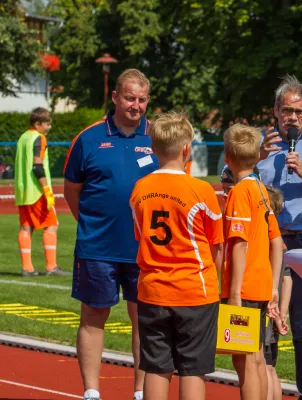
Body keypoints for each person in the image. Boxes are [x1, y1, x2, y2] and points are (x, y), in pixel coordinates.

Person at [63, 68, 157, 400]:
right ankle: (91, 392)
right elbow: (72, 190)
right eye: (130, 98)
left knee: (144, 322)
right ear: (115, 97)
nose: (136, 105)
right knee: (92, 318)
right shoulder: (88, 138)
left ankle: (141, 392)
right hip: (97, 247)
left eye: (142, 99)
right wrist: (91, 223)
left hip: (146, 250)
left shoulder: (158, 137)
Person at [130, 112, 223, 400]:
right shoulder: (201, 190)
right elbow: (216, 244)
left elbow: (140, 236)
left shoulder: (140, 189)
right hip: (195, 291)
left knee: (156, 367)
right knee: (193, 369)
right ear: (186, 149)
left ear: (154, 149)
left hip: (153, 290)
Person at [258, 75, 302, 400]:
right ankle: (257, 389)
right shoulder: (260, 143)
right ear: (275, 110)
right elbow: (228, 182)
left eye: (300, 113)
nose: (293, 118)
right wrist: (255, 159)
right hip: (265, 243)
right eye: (287, 111)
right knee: (259, 325)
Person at [221, 123, 284, 400]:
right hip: (260, 285)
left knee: (244, 361)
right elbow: (276, 242)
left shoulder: (238, 193)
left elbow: (239, 243)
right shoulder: (261, 189)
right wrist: (273, 286)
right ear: (258, 155)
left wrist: (233, 292)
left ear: (227, 157)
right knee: (256, 357)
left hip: (244, 288)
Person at [14, 107, 69, 277]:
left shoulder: (23, 137)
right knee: (52, 225)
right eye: (47, 124)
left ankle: (27, 268)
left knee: (26, 227)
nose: (49, 127)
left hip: (22, 191)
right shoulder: (39, 138)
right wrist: (46, 189)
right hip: (37, 191)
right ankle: (51, 267)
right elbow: (37, 166)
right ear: (37, 124)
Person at [264, 185, 293, 400]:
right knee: (270, 365)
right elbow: (287, 279)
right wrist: (282, 314)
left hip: (263, 308)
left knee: (262, 366)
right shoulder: (280, 243)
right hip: (275, 310)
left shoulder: (263, 241)